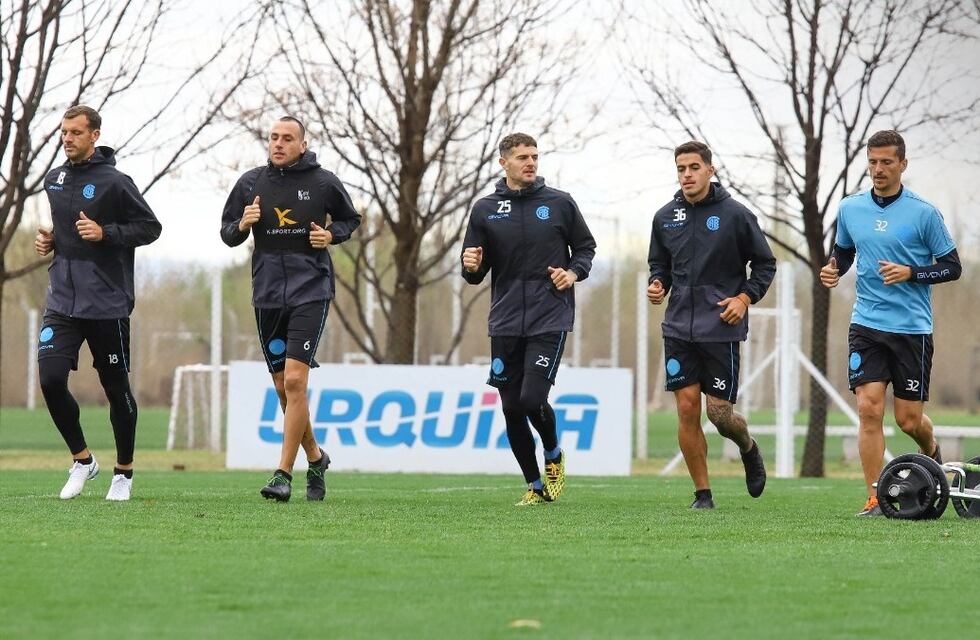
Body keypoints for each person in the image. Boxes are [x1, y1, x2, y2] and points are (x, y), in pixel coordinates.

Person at [820, 129, 960, 517]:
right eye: (873, 162)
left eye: (886, 162)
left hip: (912, 328)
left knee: (908, 419)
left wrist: (911, 272)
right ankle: (875, 495)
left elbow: (952, 268)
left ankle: (930, 450)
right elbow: (843, 254)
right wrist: (833, 271)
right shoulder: (850, 209)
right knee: (868, 408)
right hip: (866, 323)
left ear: (903, 164)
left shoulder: (923, 212)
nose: (878, 170)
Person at [221, 116, 361, 502]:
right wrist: (242, 225)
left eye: (287, 138)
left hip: (310, 290)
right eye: (274, 138)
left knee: (297, 382)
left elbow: (351, 219)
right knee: (284, 387)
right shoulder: (250, 183)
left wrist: (331, 235)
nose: (279, 144)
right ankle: (316, 457)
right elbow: (227, 232)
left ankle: (283, 474)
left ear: (303, 144)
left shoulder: (323, 181)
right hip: (267, 293)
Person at [461, 133, 596, 506]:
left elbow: (585, 248)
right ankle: (535, 486)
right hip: (504, 318)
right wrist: (470, 267)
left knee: (531, 397)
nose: (531, 162)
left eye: (535, 156)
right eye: (522, 157)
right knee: (509, 407)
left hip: (549, 314)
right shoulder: (485, 209)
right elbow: (474, 264)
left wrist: (573, 273)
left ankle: (553, 454)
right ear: (504, 163)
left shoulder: (559, 203)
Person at [35, 105, 162, 501]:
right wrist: (52, 241)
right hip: (62, 300)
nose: (67, 139)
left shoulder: (116, 182)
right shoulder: (53, 180)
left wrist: (105, 232)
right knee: (51, 379)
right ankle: (83, 461)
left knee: (115, 388)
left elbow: (150, 227)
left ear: (94, 135)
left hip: (107, 302)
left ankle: (123, 473)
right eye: (63, 132)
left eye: (75, 132)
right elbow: (66, 229)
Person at [647, 141, 776, 509]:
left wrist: (743, 298)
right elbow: (660, 266)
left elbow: (765, 265)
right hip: (678, 328)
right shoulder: (664, 217)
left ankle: (748, 447)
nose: (686, 174)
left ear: (710, 170)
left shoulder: (736, 215)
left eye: (693, 167)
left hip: (720, 327)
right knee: (687, 408)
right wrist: (658, 285)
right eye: (681, 169)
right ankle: (703, 494)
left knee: (718, 415)